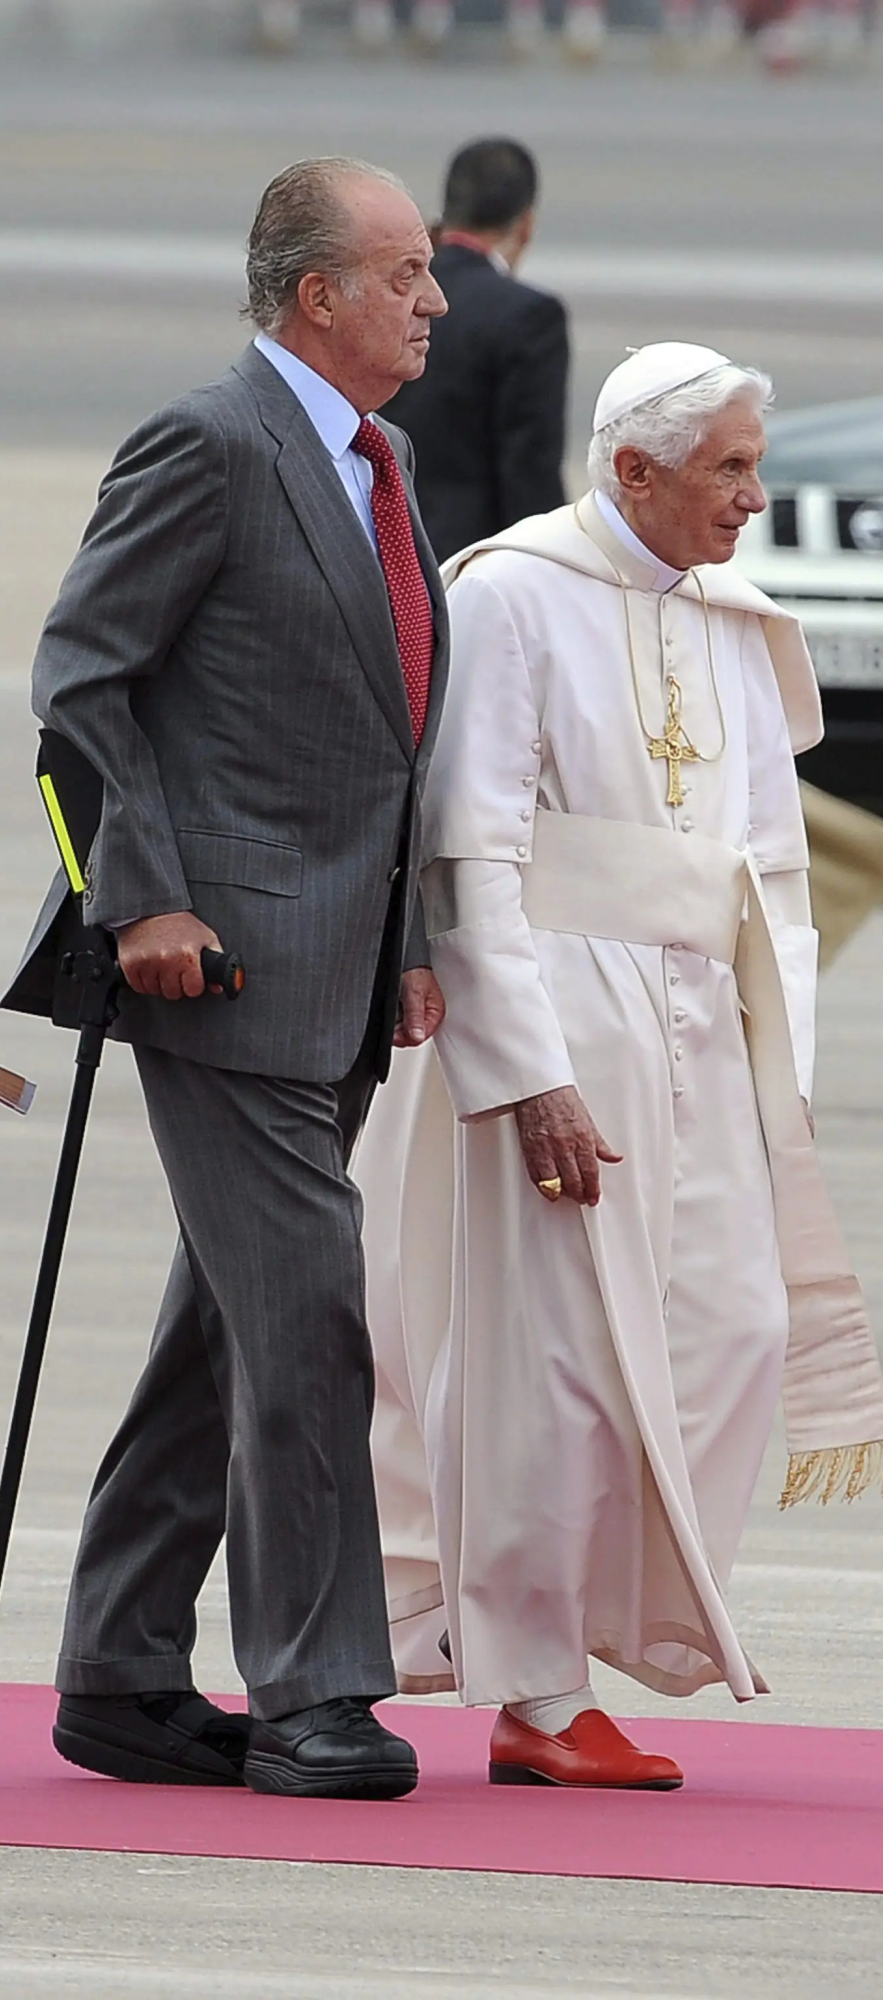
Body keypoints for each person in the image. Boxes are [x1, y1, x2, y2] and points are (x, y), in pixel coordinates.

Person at [358, 344, 883, 1790]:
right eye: (725, 469)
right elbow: (468, 849)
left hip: (697, 1028)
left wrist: (776, 1057)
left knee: (733, 1332)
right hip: (552, 1020)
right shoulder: (510, 589)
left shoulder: (727, 612)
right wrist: (523, 1068)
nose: (753, 498)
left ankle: (602, 1628)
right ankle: (530, 1696)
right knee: (551, 1370)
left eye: (752, 464)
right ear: (630, 470)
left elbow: (768, 864)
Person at [34, 158, 449, 1802]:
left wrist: (408, 941)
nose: (430, 300)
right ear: (313, 294)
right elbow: (82, 676)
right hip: (213, 971)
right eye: (403, 272)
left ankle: (121, 1676)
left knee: (227, 1330)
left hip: (337, 971)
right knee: (308, 1332)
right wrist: (137, 898)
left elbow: (385, 739)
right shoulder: (209, 443)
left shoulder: (381, 457)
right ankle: (313, 1692)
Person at [383, 137, 567, 564]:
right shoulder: (529, 317)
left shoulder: (388, 293)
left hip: (376, 548)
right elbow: (530, 471)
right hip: (472, 563)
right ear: (526, 225)